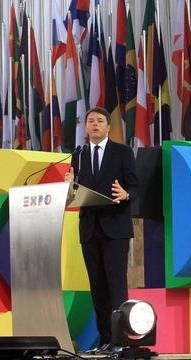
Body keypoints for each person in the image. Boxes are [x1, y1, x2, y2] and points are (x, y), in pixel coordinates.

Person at [64, 107, 138, 351]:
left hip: (115, 228)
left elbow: (137, 188)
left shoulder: (123, 152)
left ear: (108, 127)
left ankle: (121, 342)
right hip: (89, 229)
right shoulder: (79, 155)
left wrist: (127, 194)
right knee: (97, 289)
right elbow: (75, 194)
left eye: (100, 121)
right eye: (90, 121)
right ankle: (106, 341)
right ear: (86, 128)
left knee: (116, 286)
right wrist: (69, 187)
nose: (95, 124)